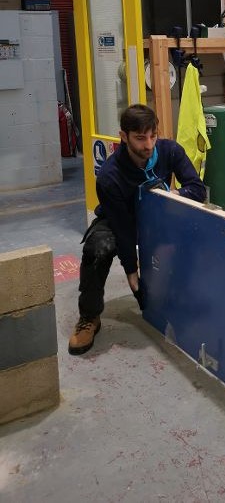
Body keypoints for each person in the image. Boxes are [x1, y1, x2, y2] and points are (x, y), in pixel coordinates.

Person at [68, 104, 207, 355]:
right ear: (124, 137)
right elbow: (122, 230)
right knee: (96, 249)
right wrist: (132, 273)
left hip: (161, 216)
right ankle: (89, 317)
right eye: (140, 138)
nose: (149, 145)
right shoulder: (110, 176)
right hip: (122, 219)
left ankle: (185, 299)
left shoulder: (170, 151)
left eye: (153, 136)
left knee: (200, 233)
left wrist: (170, 196)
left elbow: (197, 189)